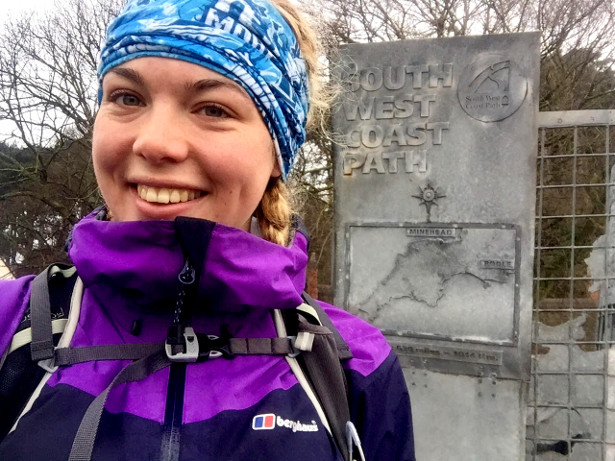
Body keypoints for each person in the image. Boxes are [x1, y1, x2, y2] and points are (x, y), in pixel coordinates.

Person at [0, 0, 415, 459]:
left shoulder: (352, 366)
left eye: (213, 108)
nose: (154, 142)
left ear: (278, 152)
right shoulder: (9, 328)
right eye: (127, 98)